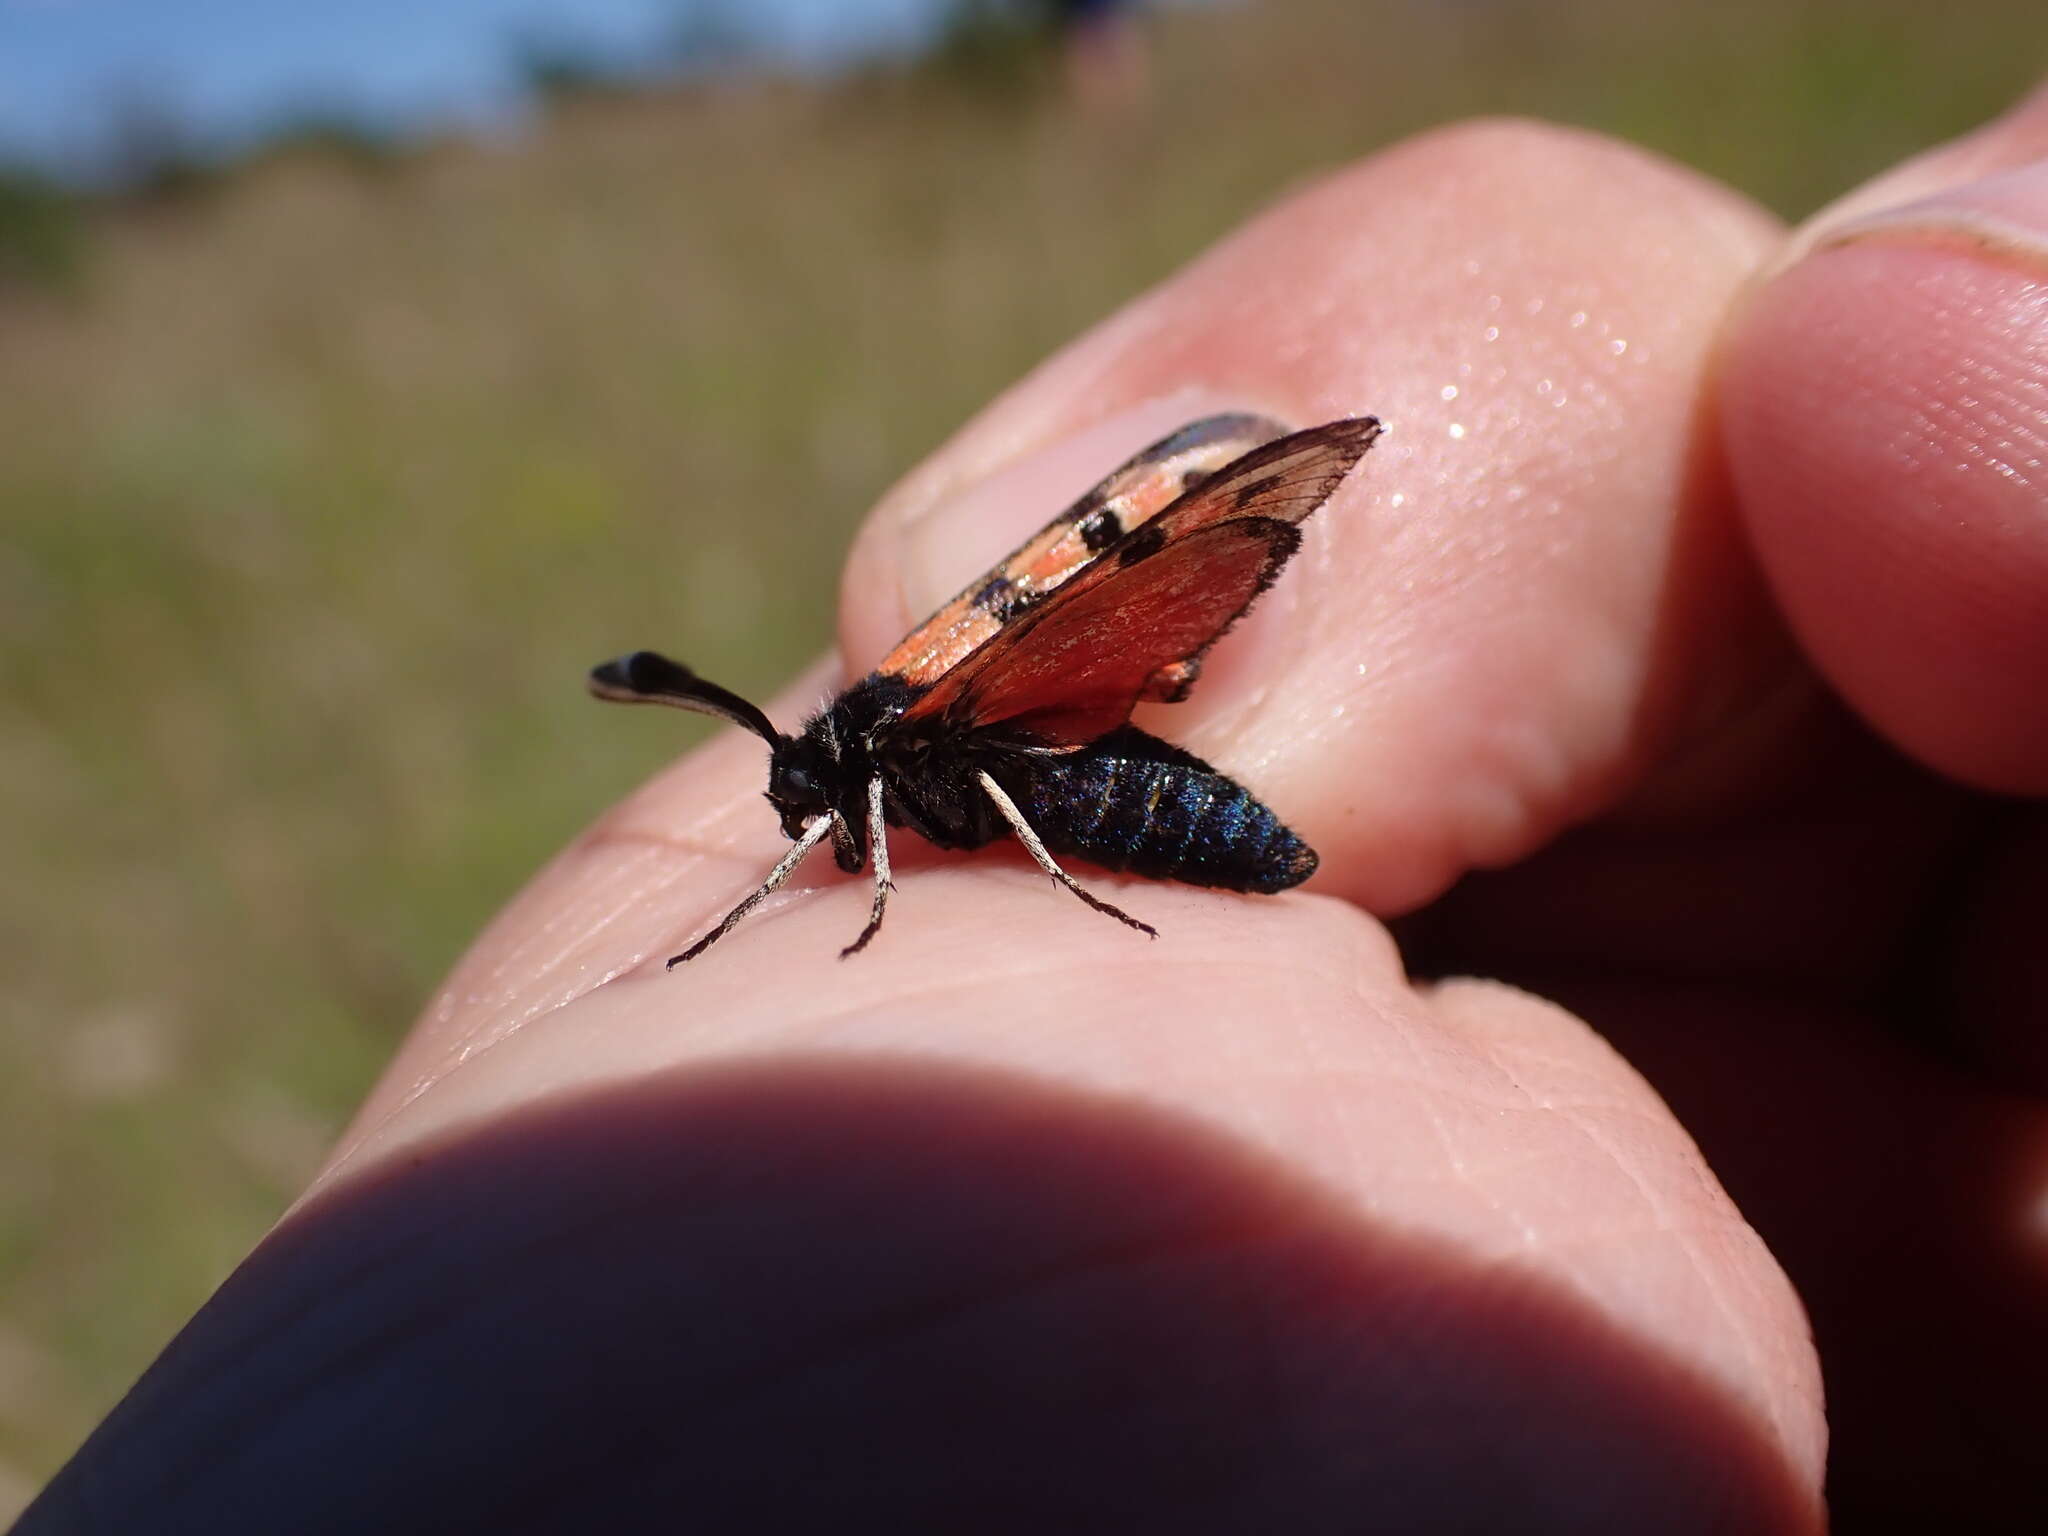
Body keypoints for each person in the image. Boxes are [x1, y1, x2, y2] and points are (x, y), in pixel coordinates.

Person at [20, 84, 2048, 1534]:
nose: (811, 821)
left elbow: (1042, 683)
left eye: (826, 810)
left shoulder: (920, 726)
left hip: (1153, 805)